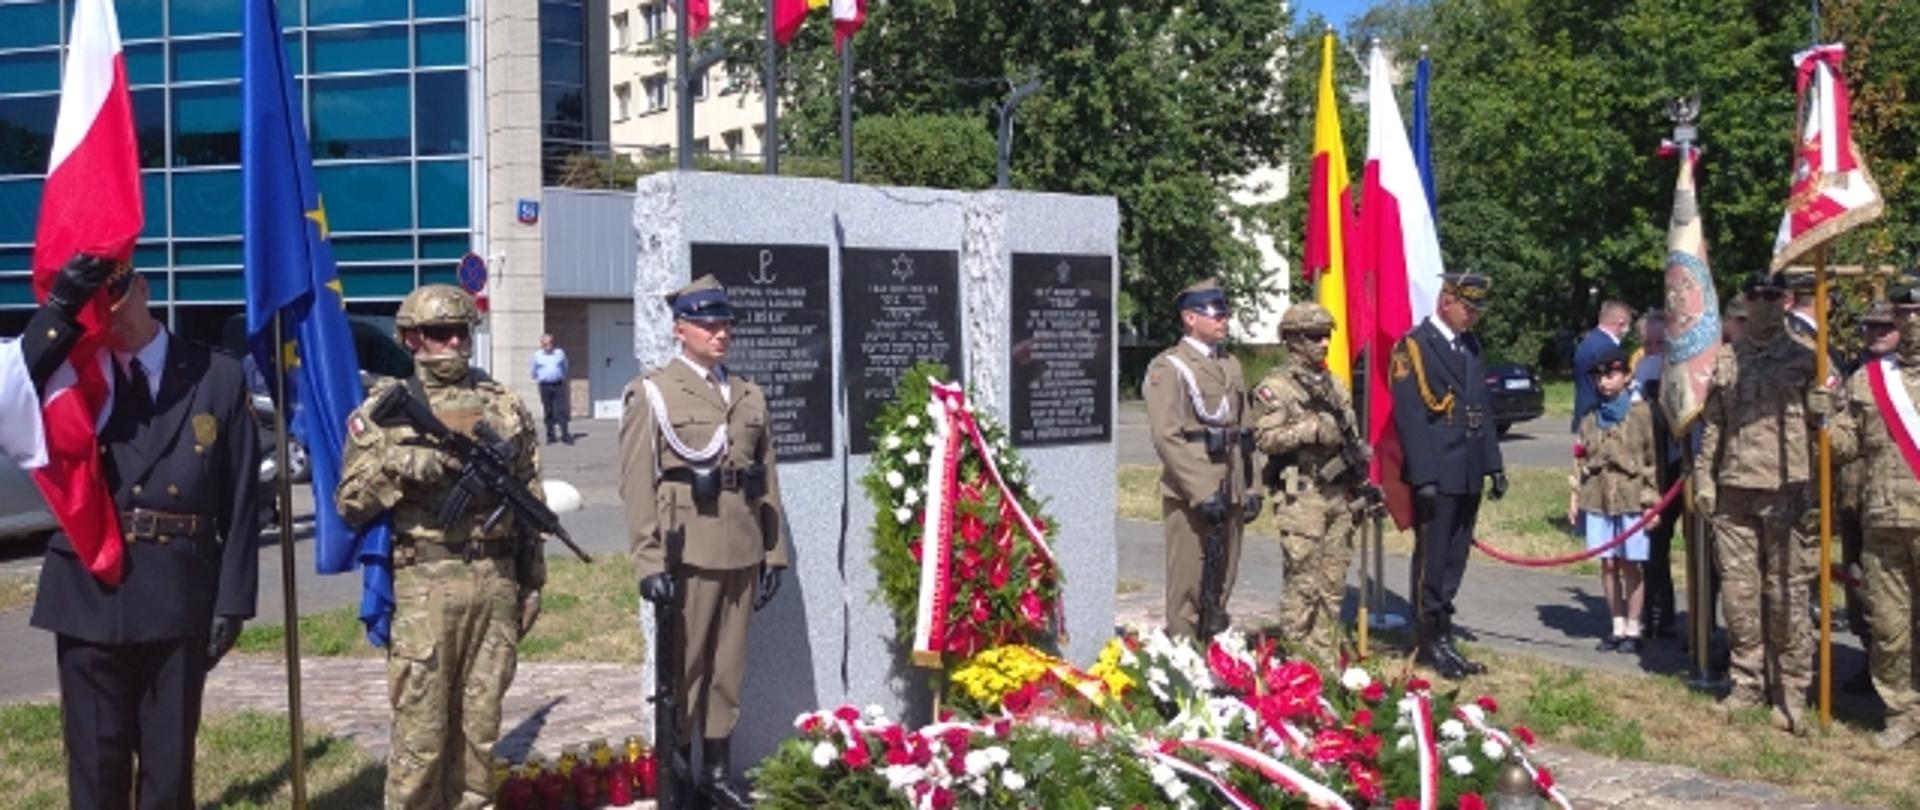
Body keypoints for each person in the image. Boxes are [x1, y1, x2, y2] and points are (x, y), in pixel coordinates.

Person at [23, 254, 259, 810]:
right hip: (89, 591)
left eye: (118, 301)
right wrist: (59, 308)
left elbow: (244, 497)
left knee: (169, 767)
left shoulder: (216, 373)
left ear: (145, 289)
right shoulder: (70, 372)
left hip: (178, 588)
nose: (111, 318)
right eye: (96, 308)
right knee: (96, 767)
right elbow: (12, 389)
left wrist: (234, 600)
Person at [336, 284, 548, 808]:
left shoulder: (505, 405)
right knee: (421, 738)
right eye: (437, 333)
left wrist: (532, 580)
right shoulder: (385, 411)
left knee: (480, 732)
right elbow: (349, 503)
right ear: (410, 338)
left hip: (495, 582)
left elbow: (530, 497)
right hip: (424, 587)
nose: (452, 342)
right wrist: (407, 467)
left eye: (461, 332)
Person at [621, 275, 789, 810]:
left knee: (727, 670)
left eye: (726, 324)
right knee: (685, 672)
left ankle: (717, 775)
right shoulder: (654, 391)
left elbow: (766, 476)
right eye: (709, 324)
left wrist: (773, 550)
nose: (721, 334)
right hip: (686, 551)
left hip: (741, 545)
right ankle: (679, 780)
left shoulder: (747, 393)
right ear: (681, 329)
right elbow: (637, 483)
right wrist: (649, 563)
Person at [1695, 272, 1824, 735]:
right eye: (1756, 296)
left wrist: (1824, 406)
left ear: (1786, 301)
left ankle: (1791, 690)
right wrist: (1704, 478)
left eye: (1772, 296)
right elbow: (1714, 424)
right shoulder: (1729, 359)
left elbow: (1830, 430)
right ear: (1746, 302)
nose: (1763, 303)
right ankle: (1746, 684)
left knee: (1786, 594)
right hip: (1734, 491)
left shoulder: (1808, 359)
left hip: (1787, 493)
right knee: (1739, 594)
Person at [1389, 272, 1507, 680]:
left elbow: (1481, 407)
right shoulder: (1414, 347)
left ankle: (1444, 631)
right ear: (1446, 302)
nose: (1472, 317)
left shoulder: (1470, 344)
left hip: (1469, 464)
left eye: (1476, 310)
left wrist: (1494, 464)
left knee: (1457, 554)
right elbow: (1410, 418)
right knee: (1434, 557)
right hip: (1438, 468)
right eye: (1468, 308)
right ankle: (1426, 638)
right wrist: (1423, 476)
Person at [1249, 302, 1367, 663]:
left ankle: (1325, 661)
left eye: (1326, 336)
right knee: (1303, 584)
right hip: (1301, 494)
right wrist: (1311, 429)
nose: (1323, 343)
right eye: (1314, 336)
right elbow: (1264, 438)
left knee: (1332, 586)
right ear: (1294, 340)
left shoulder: (1334, 385)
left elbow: (1351, 436)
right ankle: (1297, 662)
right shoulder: (1276, 388)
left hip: (1338, 495)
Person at [1832, 289, 1920, 749]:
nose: (1909, 320)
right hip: (1882, 519)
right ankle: (1901, 713)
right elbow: (1845, 445)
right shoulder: (1868, 380)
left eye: (1915, 312)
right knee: (1888, 625)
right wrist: (1821, 421)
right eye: (1902, 313)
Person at [1144, 278, 1255, 641]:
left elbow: (1246, 430)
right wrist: (1201, 489)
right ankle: (1182, 660)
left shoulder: (1231, 365)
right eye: (1216, 313)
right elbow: (1167, 435)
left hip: (1231, 484)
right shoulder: (1170, 367)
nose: (1224, 319)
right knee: (1189, 583)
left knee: (1224, 576)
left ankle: (1215, 650)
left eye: (1225, 312)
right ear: (1190, 318)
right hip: (1194, 488)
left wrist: (1250, 486)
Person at [1569, 347, 1660, 654]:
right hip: (1598, 498)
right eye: (1599, 377)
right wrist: (1574, 497)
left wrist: (1651, 502)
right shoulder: (1591, 417)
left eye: (1611, 375)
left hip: (1631, 497)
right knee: (1608, 564)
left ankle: (1635, 627)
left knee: (1631, 563)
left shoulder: (1641, 414)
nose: (1605, 382)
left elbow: (1651, 461)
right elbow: (1579, 460)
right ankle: (1616, 624)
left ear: (1626, 376)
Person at [1630, 311, 1682, 639]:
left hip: (1680, 463)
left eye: (1659, 342)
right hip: (1653, 466)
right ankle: (1656, 611)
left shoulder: (1683, 368)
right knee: (1653, 544)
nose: (1653, 349)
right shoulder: (1642, 368)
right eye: (1647, 343)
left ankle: (1701, 621)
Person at [1571, 300, 1634, 431]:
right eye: (1628, 324)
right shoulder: (1607, 348)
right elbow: (1611, 385)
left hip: (1585, 414)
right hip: (1601, 420)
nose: (1628, 330)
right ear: (1621, 323)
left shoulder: (1588, 341)